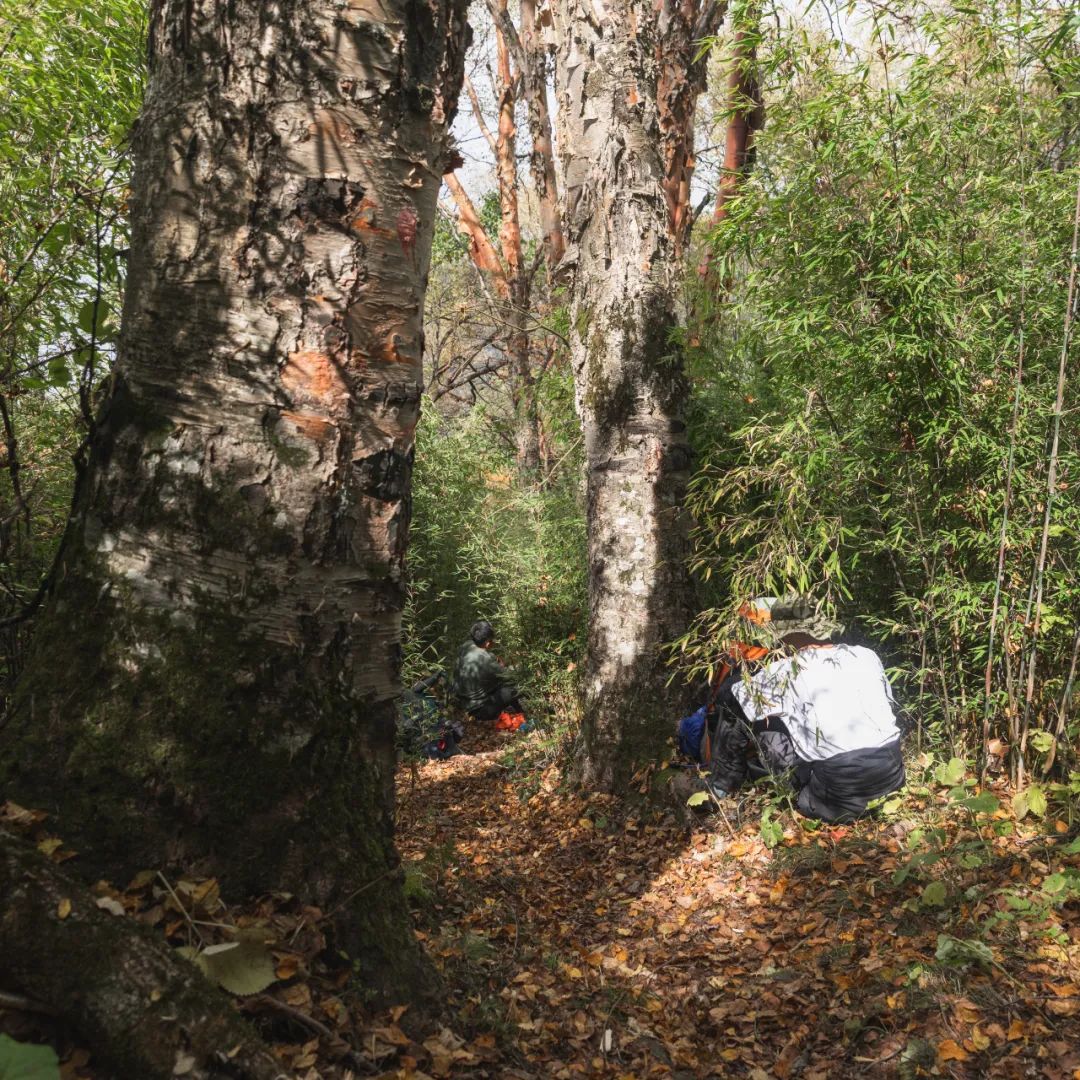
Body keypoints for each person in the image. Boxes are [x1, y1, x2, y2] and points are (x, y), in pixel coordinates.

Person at [701, 597, 905, 822]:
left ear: (788, 634)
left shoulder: (784, 670)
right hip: (893, 778)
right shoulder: (866, 655)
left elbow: (731, 698)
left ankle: (721, 787)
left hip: (836, 799)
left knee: (742, 704)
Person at [451, 620, 526, 729]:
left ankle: (520, 711)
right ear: (487, 642)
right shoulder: (485, 659)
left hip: (464, 703)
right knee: (514, 686)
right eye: (492, 640)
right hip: (481, 710)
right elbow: (511, 676)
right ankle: (530, 711)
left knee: (501, 683)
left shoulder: (466, 645)